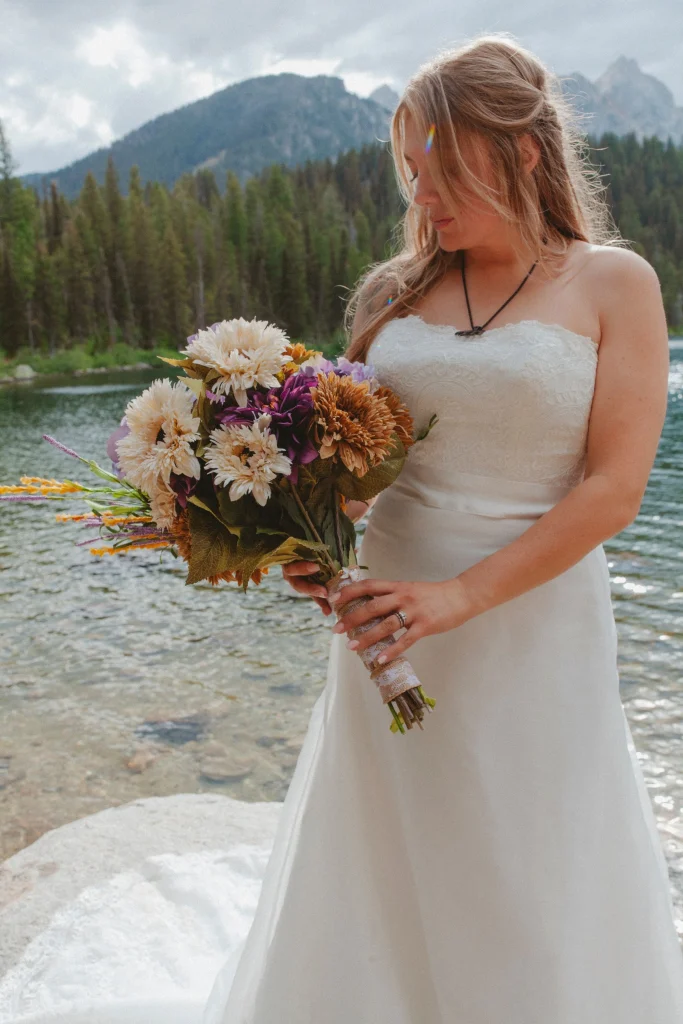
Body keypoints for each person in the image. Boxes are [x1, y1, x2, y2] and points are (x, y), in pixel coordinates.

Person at [203, 33, 683, 1022]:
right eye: (410, 175)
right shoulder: (392, 293)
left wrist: (459, 596)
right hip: (386, 620)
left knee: (531, 849)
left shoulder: (613, 284)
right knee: (390, 847)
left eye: (441, 170)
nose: (421, 198)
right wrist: (313, 539)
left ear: (519, 152)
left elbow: (611, 490)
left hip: (532, 623)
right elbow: (351, 465)